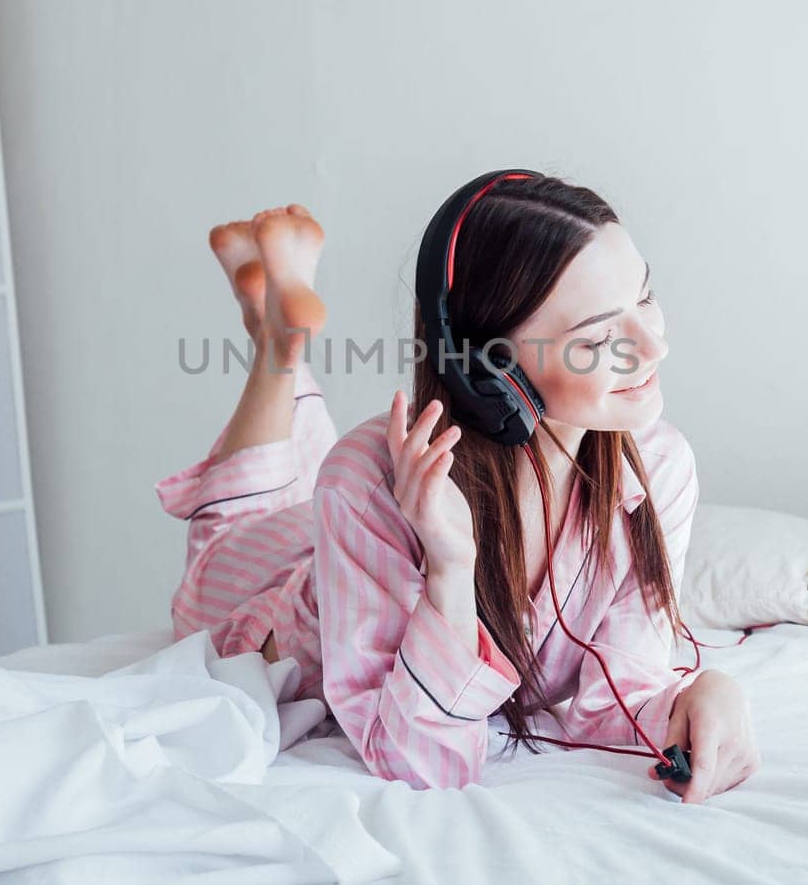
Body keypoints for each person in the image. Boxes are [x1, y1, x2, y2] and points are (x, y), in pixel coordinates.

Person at [157, 176, 759, 798]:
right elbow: (421, 763)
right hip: (263, 584)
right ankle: (277, 343)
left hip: (337, 529)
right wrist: (448, 568)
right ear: (488, 369)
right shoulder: (368, 484)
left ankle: (274, 323)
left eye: (647, 296)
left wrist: (702, 693)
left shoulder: (658, 468)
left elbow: (621, 689)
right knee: (236, 517)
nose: (655, 345)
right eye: (601, 337)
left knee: (305, 480)